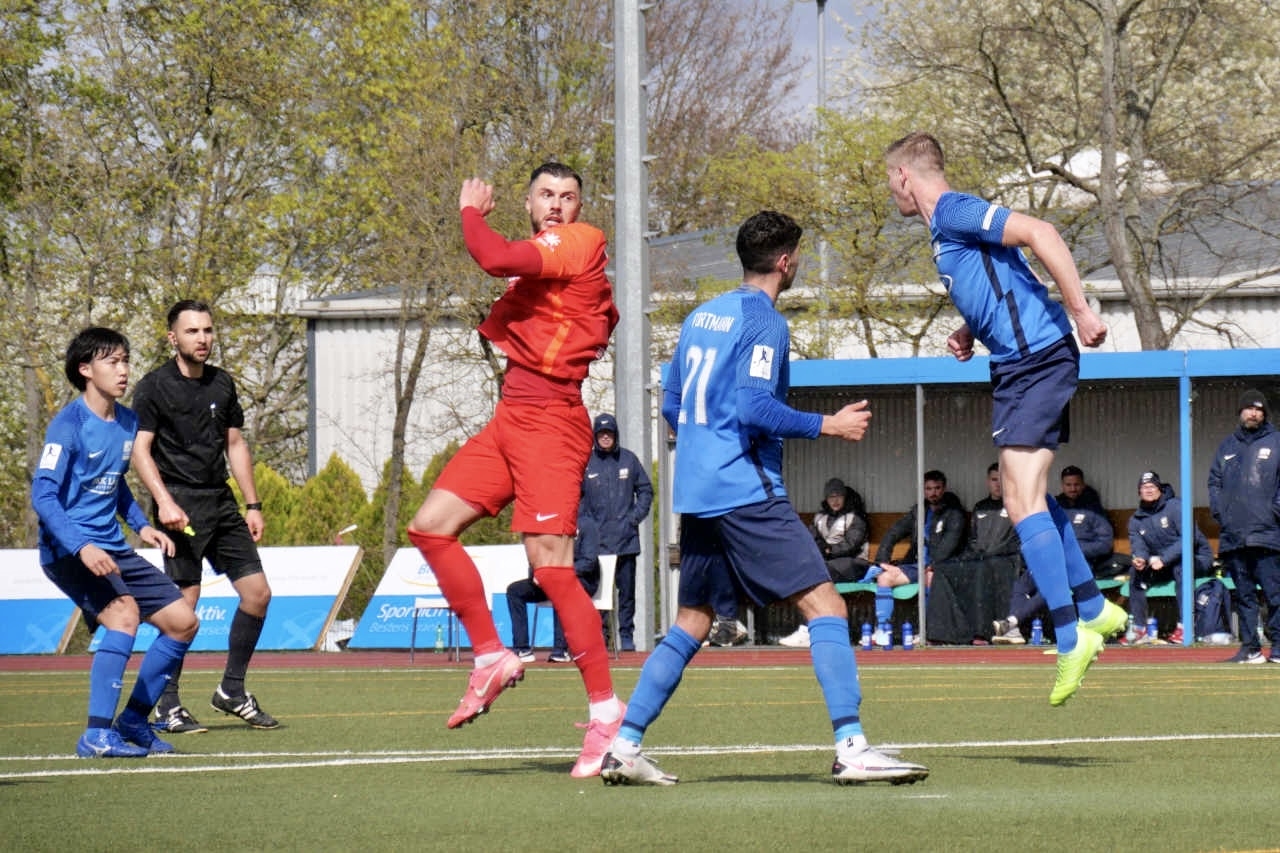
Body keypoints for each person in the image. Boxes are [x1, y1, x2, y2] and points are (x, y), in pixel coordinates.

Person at [599, 210, 928, 786]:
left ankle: (624, 746)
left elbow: (672, 403)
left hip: (698, 493)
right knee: (827, 607)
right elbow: (754, 408)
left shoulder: (701, 316)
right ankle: (852, 747)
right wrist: (829, 424)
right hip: (746, 490)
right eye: (797, 256)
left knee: (691, 623)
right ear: (784, 261)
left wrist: (706, 443)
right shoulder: (765, 323)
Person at [885, 131, 1125, 705]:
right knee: (1028, 497)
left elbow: (1042, 233)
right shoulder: (945, 229)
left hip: (1038, 359)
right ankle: (1094, 608)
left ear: (903, 176)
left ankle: (1071, 635)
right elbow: (1004, 277)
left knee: (1020, 501)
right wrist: (970, 329)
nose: (890, 191)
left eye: (889, 180)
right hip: (1017, 366)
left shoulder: (955, 209)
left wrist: (1080, 310)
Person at [405, 163, 625, 778]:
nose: (556, 204)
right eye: (546, 195)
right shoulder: (549, 257)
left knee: (551, 570)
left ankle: (607, 712)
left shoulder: (578, 240)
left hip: (551, 423)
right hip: (512, 416)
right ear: (528, 203)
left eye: (568, 196)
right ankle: (490, 656)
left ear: (579, 208)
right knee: (430, 527)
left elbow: (493, 256)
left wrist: (469, 210)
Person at [32, 327, 199, 757]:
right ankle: (96, 734)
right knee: (125, 615)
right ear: (86, 370)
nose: (123, 370)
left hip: (114, 547)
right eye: (112, 362)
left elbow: (116, 483)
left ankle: (134, 721)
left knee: (183, 622)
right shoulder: (67, 425)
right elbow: (43, 495)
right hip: (68, 550)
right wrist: (81, 547)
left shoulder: (127, 422)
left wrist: (142, 525)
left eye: (125, 360)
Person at [130, 300, 279, 732]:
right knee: (184, 609)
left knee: (258, 594)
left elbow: (235, 444)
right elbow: (140, 450)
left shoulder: (222, 383)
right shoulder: (154, 386)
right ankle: (167, 704)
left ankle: (231, 690)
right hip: (179, 505)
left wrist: (253, 504)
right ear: (172, 337)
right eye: (192, 331)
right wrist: (164, 502)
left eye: (208, 330)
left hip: (222, 503)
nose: (202, 339)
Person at [994, 465, 1117, 644]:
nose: (1072, 488)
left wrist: (1074, 552)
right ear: (1062, 485)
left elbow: (1105, 543)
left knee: (1049, 587)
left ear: (1083, 485)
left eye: (1076, 484)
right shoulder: (1054, 508)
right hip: (1048, 559)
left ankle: (1012, 622)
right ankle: (1013, 630)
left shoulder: (1093, 510)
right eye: (1068, 485)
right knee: (1022, 585)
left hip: (1076, 566)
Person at [1208, 389, 1280, 664]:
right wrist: (1222, 514)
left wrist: (1274, 511)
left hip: (1268, 535)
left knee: (1275, 595)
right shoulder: (1227, 446)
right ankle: (1250, 648)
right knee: (1244, 596)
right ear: (1240, 412)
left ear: (1265, 414)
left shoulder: (1276, 442)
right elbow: (1214, 482)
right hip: (1234, 536)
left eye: (1259, 409)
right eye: (1249, 408)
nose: (1253, 413)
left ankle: (1278, 648)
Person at [580, 412, 653, 652]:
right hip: (597, 544)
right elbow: (576, 498)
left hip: (626, 541)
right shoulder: (586, 463)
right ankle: (602, 637)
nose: (605, 437)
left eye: (609, 433)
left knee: (627, 593)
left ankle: (626, 636)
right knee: (599, 594)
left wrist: (634, 518)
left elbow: (645, 491)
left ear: (615, 435)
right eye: (601, 433)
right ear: (595, 436)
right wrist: (586, 526)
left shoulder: (629, 460)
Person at [868, 469, 966, 646]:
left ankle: (927, 631)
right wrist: (883, 561)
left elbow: (948, 547)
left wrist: (932, 564)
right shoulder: (919, 512)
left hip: (943, 567)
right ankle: (882, 630)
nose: (933, 493)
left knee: (930, 578)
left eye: (937, 488)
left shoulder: (954, 513)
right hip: (917, 565)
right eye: (928, 489)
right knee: (884, 578)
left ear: (944, 489)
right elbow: (893, 533)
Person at [779, 477, 871, 648]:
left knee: (818, 575)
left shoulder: (855, 516)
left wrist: (828, 550)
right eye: (831, 497)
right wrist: (818, 550)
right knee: (806, 574)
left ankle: (808, 630)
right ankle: (810, 629)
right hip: (829, 564)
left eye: (838, 496)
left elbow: (851, 545)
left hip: (856, 564)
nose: (835, 501)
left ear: (845, 497)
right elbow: (810, 540)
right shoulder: (819, 517)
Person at [1126, 471, 1214, 645]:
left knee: (1181, 568)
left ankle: (1185, 626)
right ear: (1139, 492)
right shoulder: (1136, 519)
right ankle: (1139, 628)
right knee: (1135, 573)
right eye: (1144, 487)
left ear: (1160, 489)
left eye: (1152, 486)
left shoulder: (1176, 506)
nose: (1149, 490)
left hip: (1196, 558)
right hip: (1164, 564)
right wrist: (1141, 558)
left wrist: (1164, 559)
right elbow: (1139, 546)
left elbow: (1189, 539)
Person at [506, 516, 602, 663]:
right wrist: (537, 574)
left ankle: (560, 650)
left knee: (560, 587)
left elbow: (589, 562)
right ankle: (522, 649)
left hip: (582, 580)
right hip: (551, 579)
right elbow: (536, 556)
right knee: (515, 591)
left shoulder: (585, 524)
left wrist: (562, 573)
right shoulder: (546, 524)